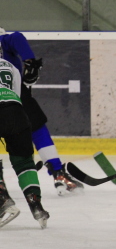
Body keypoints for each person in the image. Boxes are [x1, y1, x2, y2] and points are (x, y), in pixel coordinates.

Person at [0, 27, 83, 195]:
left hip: (14, 95)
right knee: (36, 128)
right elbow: (16, 38)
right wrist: (30, 62)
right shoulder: (4, 40)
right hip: (13, 94)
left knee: (35, 127)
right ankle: (58, 173)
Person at [0, 57, 49, 229]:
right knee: (24, 163)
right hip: (17, 114)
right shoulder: (10, 66)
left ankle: (3, 200)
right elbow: (18, 94)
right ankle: (36, 205)